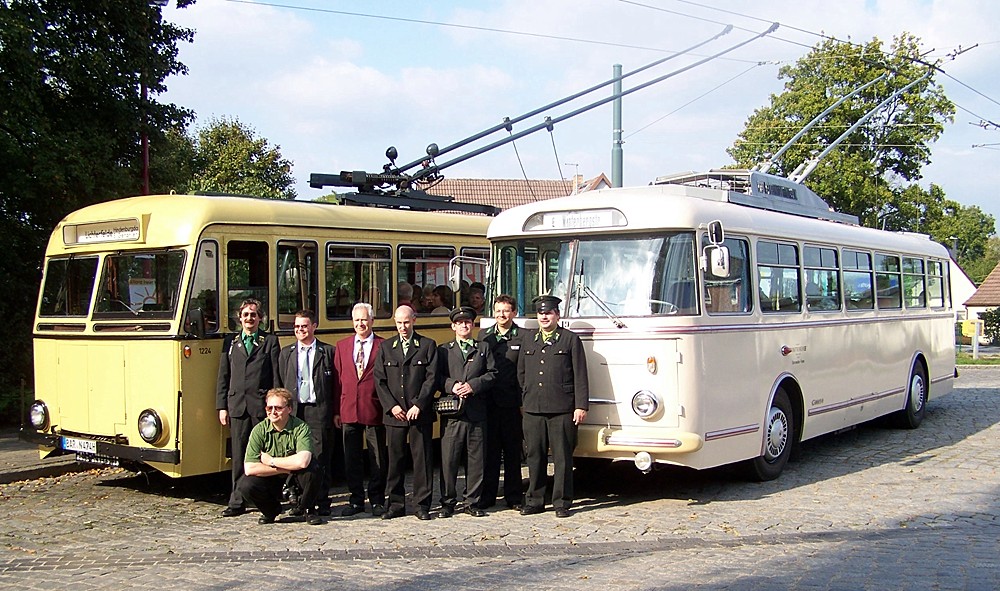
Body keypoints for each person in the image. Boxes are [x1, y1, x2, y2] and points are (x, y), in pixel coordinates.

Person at [517, 295, 589, 518]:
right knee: (535, 456)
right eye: (540, 313)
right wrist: (524, 399)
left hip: (562, 408)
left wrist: (580, 406)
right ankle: (535, 500)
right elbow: (521, 372)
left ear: (557, 315)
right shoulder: (529, 339)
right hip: (533, 408)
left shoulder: (569, 339)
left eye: (548, 313)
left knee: (562, 457)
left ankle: (562, 501)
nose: (544, 316)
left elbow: (580, 374)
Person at [216, 297, 280, 518]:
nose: (249, 318)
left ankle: (268, 499)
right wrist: (222, 406)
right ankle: (236, 501)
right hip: (238, 407)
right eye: (246, 315)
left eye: (253, 314)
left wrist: (275, 407)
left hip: (261, 408)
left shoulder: (269, 341)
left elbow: (275, 376)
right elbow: (223, 377)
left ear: (260, 318)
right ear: (239, 318)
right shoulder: (231, 343)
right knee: (239, 454)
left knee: (266, 456)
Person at [374, 305, 439, 520]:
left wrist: (419, 404)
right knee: (395, 461)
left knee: (422, 460)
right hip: (395, 414)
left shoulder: (427, 346)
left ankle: (422, 504)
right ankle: (395, 503)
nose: (403, 327)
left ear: (414, 320)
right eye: (399, 323)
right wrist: (392, 406)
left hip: (419, 413)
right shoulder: (386, 347)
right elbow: (380, 381)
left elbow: (431, 379)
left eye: (406, 322)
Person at [437, 306, 496, 517]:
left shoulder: (483, 348)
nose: (464, 325)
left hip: (476, 412)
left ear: (473, 325)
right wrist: (451, 385)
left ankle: (472, 501)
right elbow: (436, 377)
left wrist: (474, 385)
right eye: (460, 322)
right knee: (449, 461)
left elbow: (492, 374)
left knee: (476, 460)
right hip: (453, 415)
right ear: (453, 326)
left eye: (468, 322)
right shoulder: (444, 350)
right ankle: (448, 502)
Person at [276, 309, 335, 516]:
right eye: (297, 327)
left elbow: (336, 385)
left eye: (304, 326)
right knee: (296, 456)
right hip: (295, 411)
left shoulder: (328, 352)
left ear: (314, 326)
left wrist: (334, 411)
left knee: (320, 457)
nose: (300, 330)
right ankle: (300, 499)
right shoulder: (287, 353)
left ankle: (322, 500)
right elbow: (280, 385)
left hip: (319, 409)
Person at [333, 302, 388, 517]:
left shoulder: (383, 346)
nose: (360, 324)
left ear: (372, 321)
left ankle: (376, 499)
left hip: (373, 407)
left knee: (377, 458)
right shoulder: (342, 345)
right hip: (348, 409)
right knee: (351, 458)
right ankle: (356, 499)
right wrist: (337, 410)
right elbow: (337, 381)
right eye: (357, 320)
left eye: (364, 319)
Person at [238, 388, 322, 525]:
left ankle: (307, 509)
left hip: (295, 477)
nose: (272, 412)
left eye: (278, 408)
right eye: (269, 408)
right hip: (273, 477)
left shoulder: (301, 427)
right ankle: (270, 511)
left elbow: (303, 462)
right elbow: (250, 468)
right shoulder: (259, 430)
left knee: (314, 469)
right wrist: (286, 468)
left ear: (289, 409)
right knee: (246, 485)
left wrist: (271, 461)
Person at [478, 294, 525, 510]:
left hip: (512, 403)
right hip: (488, 402)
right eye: (498, 310)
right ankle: (487, 496)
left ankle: (514, 496)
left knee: (513, 452)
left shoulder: (523, 336)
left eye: (506, 310)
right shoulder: (484, 336)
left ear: (514, 312)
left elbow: (524, 373)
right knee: (490, 453)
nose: (501, 315)